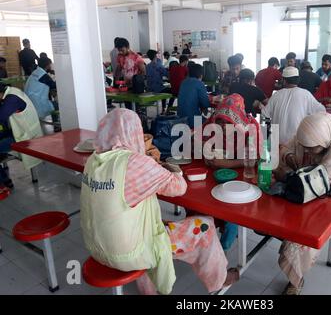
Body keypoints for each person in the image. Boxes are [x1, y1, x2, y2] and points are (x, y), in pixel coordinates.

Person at [80, 109, 238, 295]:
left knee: (148, 225)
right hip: (128, 253)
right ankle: (220, 280)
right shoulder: (133, 162)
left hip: (96, 247)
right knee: (205, 226)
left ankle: (149, 290)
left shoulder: (93, 160)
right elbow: (179, 187)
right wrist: (167, 167)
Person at [275, 112, 331, 295]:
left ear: (323, 141)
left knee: (300, 236)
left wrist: (290, 175)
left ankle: (295, 281)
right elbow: (285, 148)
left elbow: (323, 179)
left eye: (311, 148)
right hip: (310, 191)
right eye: (304, 147)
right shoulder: (311, 132)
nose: (306, 151)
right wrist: (291, 159)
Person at [203, 94, 260, 250]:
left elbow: (254, 159)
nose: (221, 126)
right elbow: (201, 139)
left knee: (232, 210)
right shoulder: (213, 122)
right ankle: (203, 236)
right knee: (203, 203)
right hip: (217, 175)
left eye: (227, 123)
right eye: (219, 121)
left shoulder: (251, 127)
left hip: (244, 176)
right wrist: (206, 152)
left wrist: (227, 164)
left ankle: (223, 248)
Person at [262, 66, 325, 145]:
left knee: (275, 157)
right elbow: (322, 111)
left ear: (284, 80)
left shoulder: (276, 95)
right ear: (298, 80)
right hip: (296, 143)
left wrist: (268, 129)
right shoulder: (305, 94)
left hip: (276, 142)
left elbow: (264, 114)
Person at [0, 83, 43, 191]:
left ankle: (4, 181)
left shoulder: (11, 99)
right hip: (23, 129)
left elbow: (1, 117)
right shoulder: (12, 90)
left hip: (25, 135)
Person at [177, 64, 211, 128]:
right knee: (210, 117)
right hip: (193, 121)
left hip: (179, 119)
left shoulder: (183, 82)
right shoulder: (200, 83)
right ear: (201, 75)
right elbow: (205, 104)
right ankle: (199, 134)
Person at [146, 49, 172, 114]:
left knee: (164, 88)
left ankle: (163, 109)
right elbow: (167, 74)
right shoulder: (158, 65)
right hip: (157, 89)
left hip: (149, 89)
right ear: (155, 56)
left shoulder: (147, 66)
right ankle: (168, 110)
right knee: (173, 91)